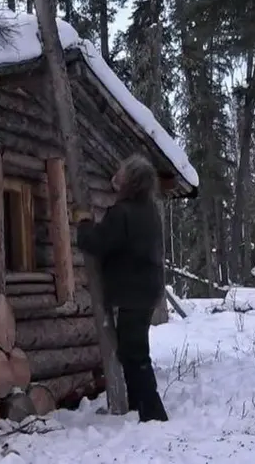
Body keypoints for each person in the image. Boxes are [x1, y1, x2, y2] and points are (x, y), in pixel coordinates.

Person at [73, 153, 169, 423]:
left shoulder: (122, 212)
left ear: (131, 181)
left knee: (135, 352)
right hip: (146, 290)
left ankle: (153, 412)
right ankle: (140, 406)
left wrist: (83, 223)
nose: (117, 175)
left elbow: (97, 242)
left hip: (133, 293)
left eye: (123, 172)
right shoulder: (149, 210)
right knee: (132, 350)